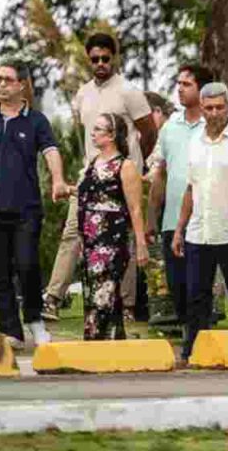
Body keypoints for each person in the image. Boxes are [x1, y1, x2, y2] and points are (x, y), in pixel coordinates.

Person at [43, 32, 157, 323]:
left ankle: (128, 306)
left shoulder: (129, 91)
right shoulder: (82, 94)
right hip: (90, 175)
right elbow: (85, 136)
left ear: (114, 57)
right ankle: (53, 298)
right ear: (88, 59)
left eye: (106, 58)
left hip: (122, 173)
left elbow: (149, 132)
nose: (101, 63)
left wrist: (132, 163)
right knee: (72, 232)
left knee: (126, 236)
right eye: (95, 59)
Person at [0, 62, 69, 348]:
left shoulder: (36, 121)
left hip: (26, 209)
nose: (2, 85)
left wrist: (58, 180)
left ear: (22, 85)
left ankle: (34, 320)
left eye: (8, 80)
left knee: (27, 265)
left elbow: (51, 151)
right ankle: (11, 331)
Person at [172, 83, 228, 362]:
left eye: (219, 107)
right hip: (199, 231)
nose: (214, 113)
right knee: (196, 296)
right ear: (201, 109)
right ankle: (193, 351)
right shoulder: (195, 141)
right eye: (209, 108)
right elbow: (190, 188)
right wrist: (179, 229)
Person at [146, 64, 215, 329]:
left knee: (200, 288)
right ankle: (191, 338)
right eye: (179, 83)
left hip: (204, 221)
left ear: (202, 90)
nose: (179, 88)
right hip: (172, 221)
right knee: (178, 286)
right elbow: (160, 173)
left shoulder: (214, 125)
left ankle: (201, 341)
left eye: (186, 84)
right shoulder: (170, 126)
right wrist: (152, 215)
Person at [74, 113, 149, 340]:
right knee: (95, 290)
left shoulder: (125, 166)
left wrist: (141, 243)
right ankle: (112, 337)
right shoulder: (92, 163)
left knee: (105, 288)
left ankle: (97, 336)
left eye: (98, 129)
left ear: (112, 135)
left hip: (112, 238)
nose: (93, 133)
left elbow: (135, 208)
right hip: (89, 238)